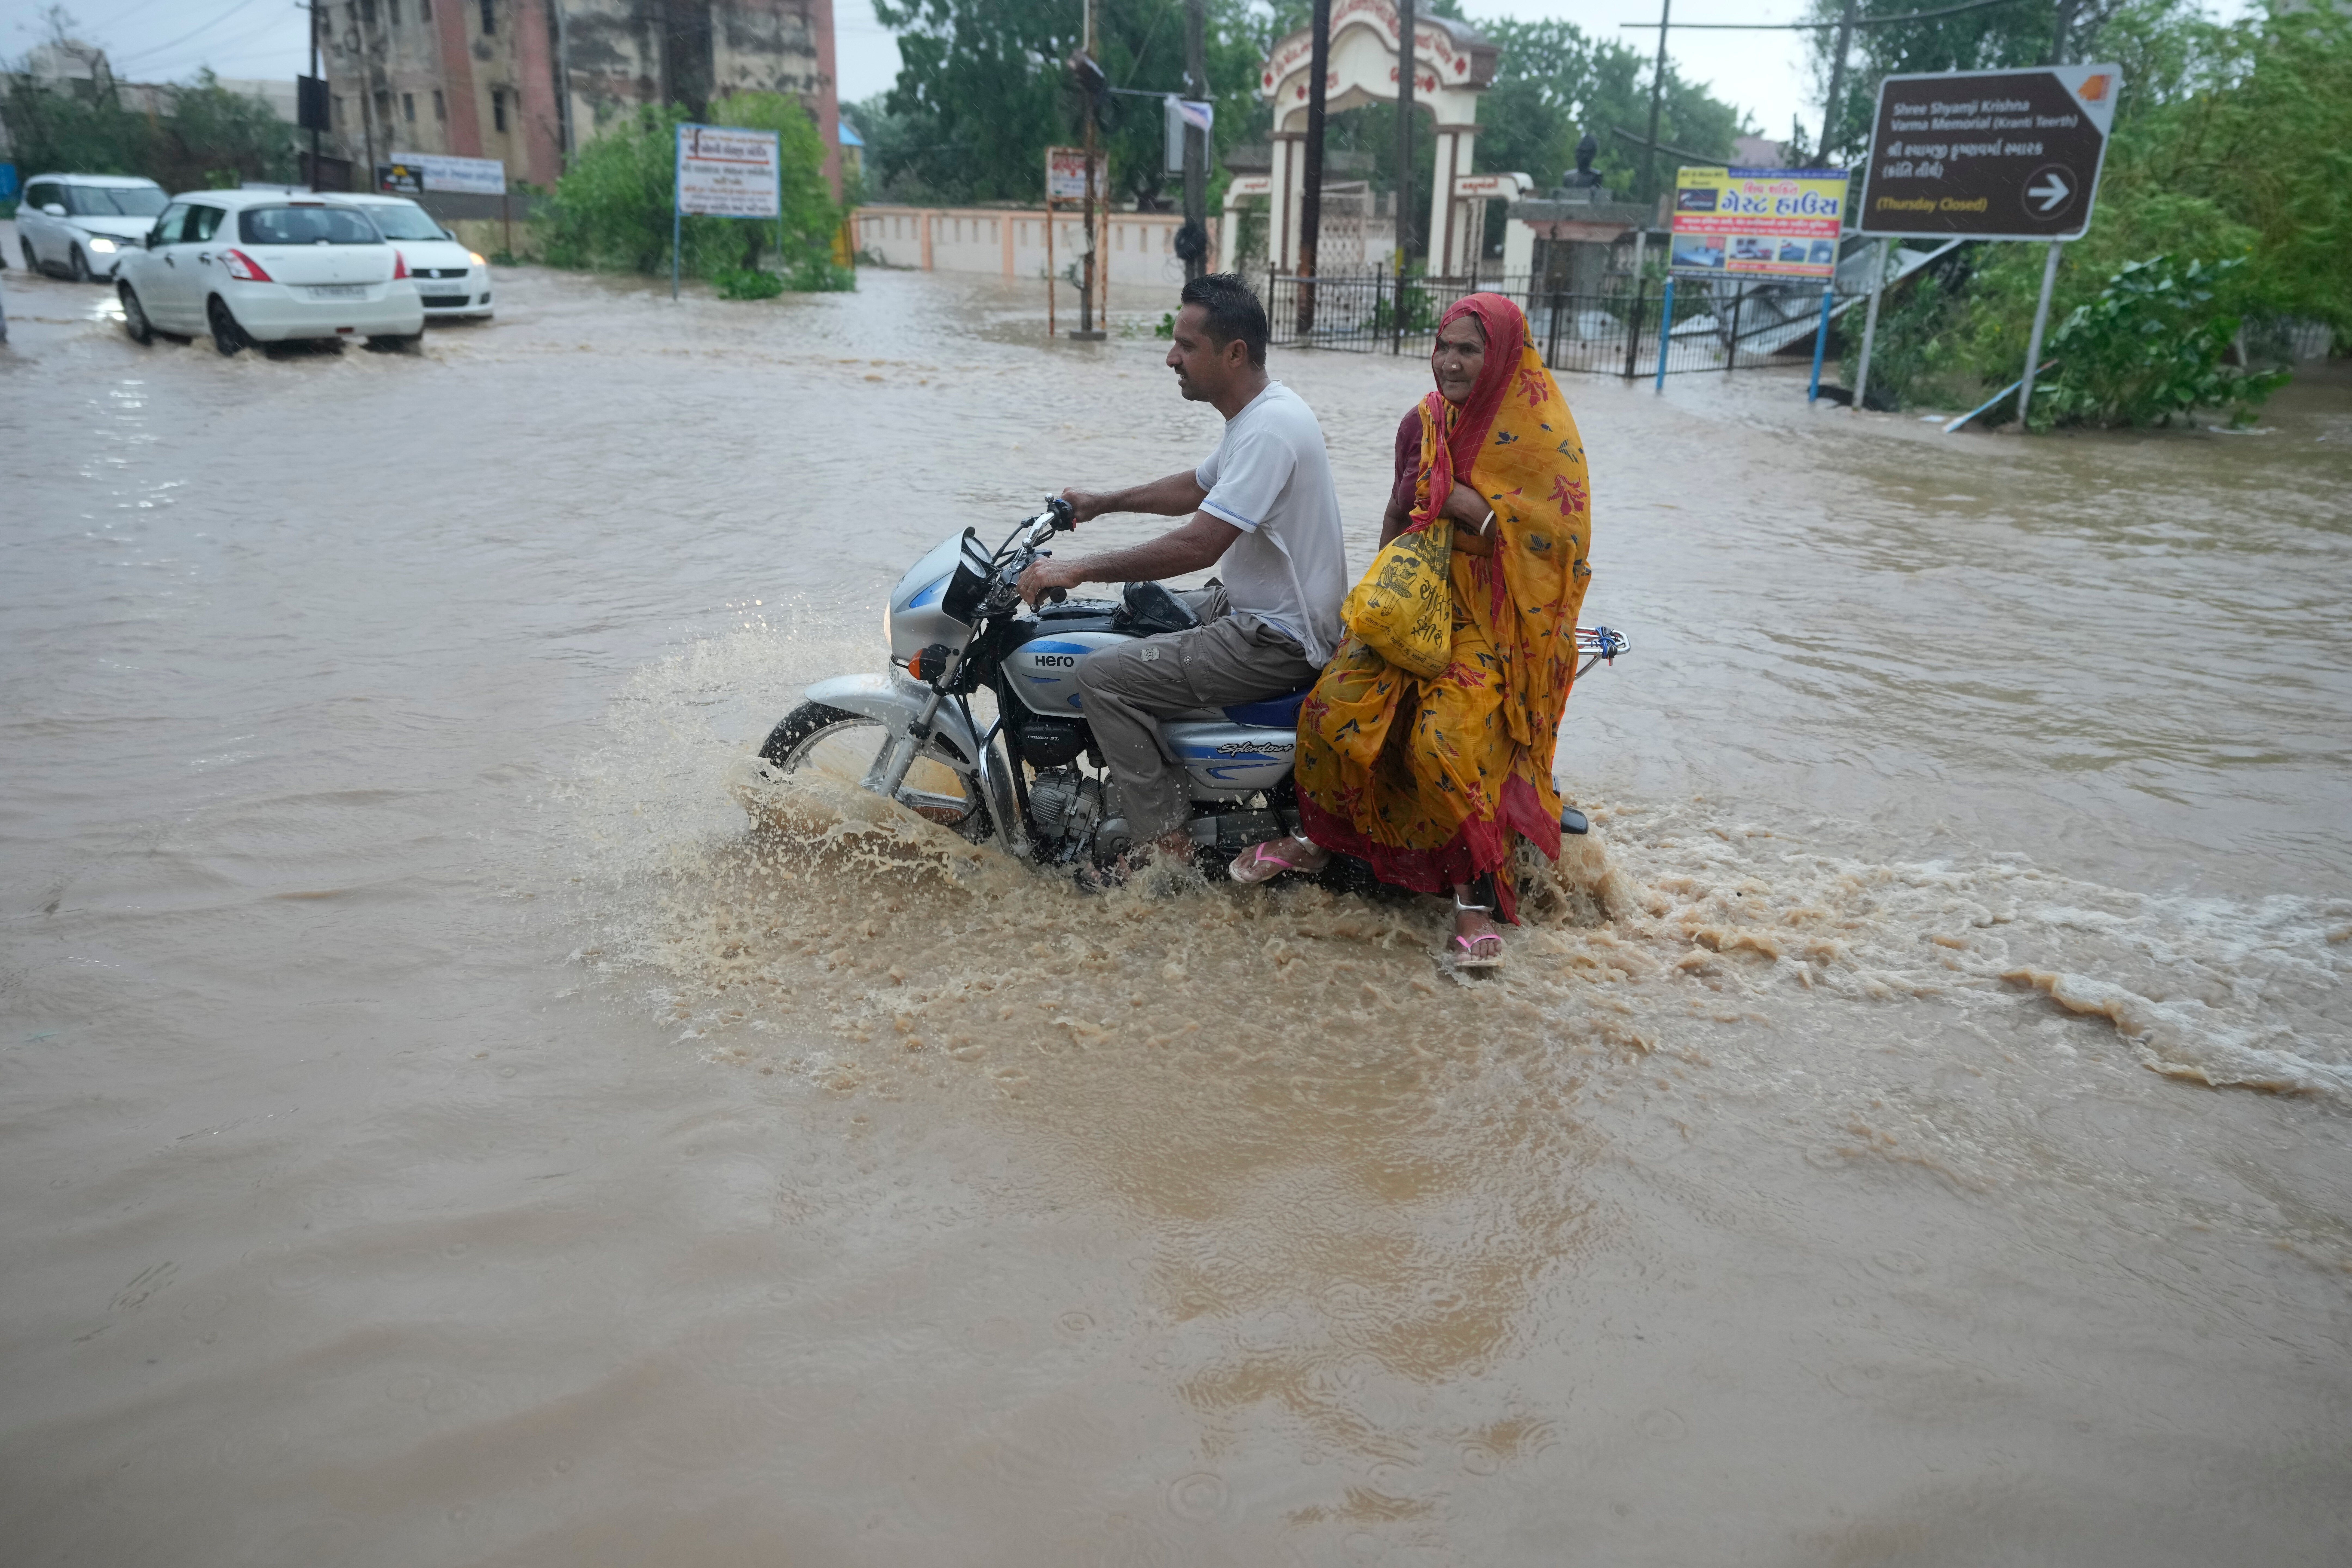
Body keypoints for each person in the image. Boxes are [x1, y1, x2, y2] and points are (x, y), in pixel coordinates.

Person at [1230, 293, 1595, 969]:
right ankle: (1321, 843)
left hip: (1495, 618)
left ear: (1503, 357)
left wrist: (1477, 515)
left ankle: (1472, 902)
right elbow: (1399, 513)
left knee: (1441, 740)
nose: (1450, 363)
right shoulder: (1421, 424)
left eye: (1468, 350)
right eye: (1442, 346)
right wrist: (1377, 600)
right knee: (1333, 708)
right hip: (1419, 598)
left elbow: (1558, 547)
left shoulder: (1541, 438)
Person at [1016, 272, 1348, 889]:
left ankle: (1167, 842)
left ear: (1235, 353)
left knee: (1102, 677)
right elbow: (1197, 487)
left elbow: (1200, 542)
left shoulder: (1271, 430)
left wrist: (1078, 566)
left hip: (1275, 638)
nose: (1172, 358)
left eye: (1186, 346)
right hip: (1255, 606)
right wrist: (1100, 501)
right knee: (1108, 622)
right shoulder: (1261, 415)